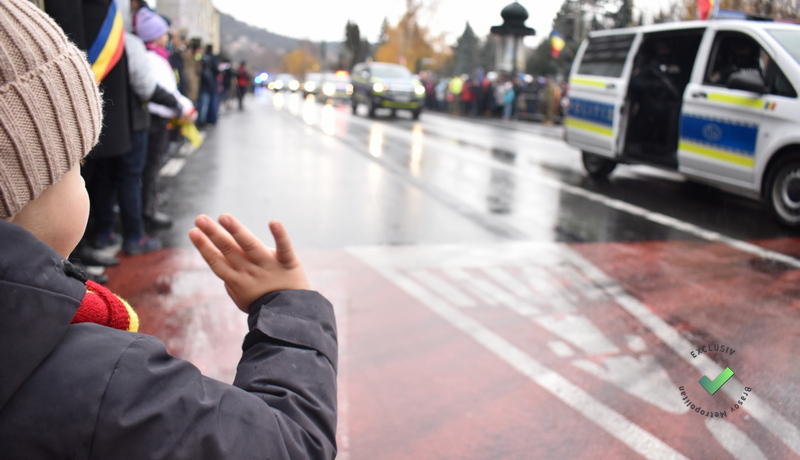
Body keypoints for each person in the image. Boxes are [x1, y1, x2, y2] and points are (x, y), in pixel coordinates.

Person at [0, 1, 338, 458]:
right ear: (21, 187)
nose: (87, 178)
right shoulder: (104, 385)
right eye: (76, 165)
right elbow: (290, 446)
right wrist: (292, 305)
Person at [135, 8, 195, 230]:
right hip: (155, 120)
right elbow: (161, 91)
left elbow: (170, 89)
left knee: (152, 165)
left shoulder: (157, 57)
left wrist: (183, 105)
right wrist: (182, 106)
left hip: (160, 118)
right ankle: (148, 210)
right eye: (163, 33)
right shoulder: (152, 59)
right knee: (151, 166)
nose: (167, 37)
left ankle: (149, 204)